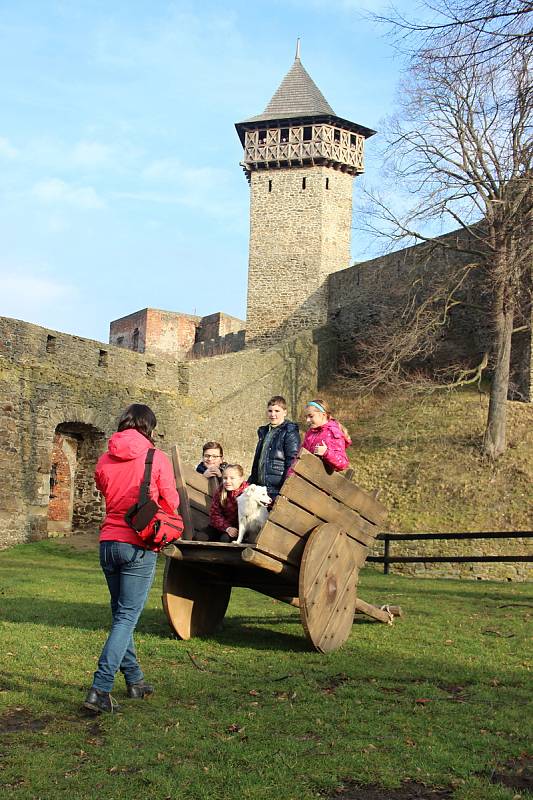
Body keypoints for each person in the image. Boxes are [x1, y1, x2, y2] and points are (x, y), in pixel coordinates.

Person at [83, 403, 180, 714]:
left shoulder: (104, 457)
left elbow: (103, 487)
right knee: (126, 618)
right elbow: (172, 501)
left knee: (121, 616)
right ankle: (100, 689)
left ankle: (135, 681)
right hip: (137, 544)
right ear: (148, 427)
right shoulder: (156, 457)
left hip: (108, 543)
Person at [248, 395, 300, 502]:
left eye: (277, 411)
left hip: (277, 488)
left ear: (285, 412)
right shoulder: (264, 431)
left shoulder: (290, 432)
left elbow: (292, 462)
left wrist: (287, 489)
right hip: (261, 487)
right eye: (270, 411)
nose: (273, 414)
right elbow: (259, 460)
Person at [289, 399, 351, 474]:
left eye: (311, 416)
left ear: (323, 415)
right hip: (303, 477)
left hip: (318, 481)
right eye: (306, 417)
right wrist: (289, 475)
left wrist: (326, 453)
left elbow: (343, 463)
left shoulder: (333, 433)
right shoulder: (311, 432)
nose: (308, 420)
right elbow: (299, 456)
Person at [209, 464, 248, 542]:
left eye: (232, 478)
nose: (227, 481)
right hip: (223, 526)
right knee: (200, 537)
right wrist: (227, 528)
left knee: (224, 539)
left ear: (241, 479)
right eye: (225, 478)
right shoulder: (220, 491)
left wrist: (238, 530)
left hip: (240, 530)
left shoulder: (248, 493)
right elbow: (214, 514)